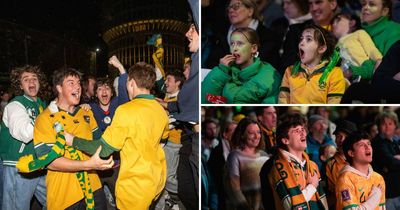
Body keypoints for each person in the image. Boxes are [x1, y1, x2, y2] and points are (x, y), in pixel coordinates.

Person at [65, 62, 169, 209]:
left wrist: (73, 140)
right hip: (157, 180)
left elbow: (104, 149)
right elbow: (163, 138)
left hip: (135, 185)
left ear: (131, 83)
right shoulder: (160, 110)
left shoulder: (125, 111)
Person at [24, 67, 112, 209]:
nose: (77, 87)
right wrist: (88, 165)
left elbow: (98, 145)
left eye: (78, 83)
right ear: (59, 88)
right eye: (71, 83)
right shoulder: (45, 119)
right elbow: (49, 162)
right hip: (65, 195)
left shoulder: (86, 114)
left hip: (94, 187)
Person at [0, 65, 47, 209]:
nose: (31, 82)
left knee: (56, 201)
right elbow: (25, 133)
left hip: (40, 164)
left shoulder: (41, 104)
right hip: (18, 167)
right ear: (20, 85)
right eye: (26, 80)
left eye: (34, 79)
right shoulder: (15, 105)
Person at [263, 114, 328, 209]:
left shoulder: (312, 165)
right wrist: (312, 186)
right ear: (285, 140)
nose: (303, 133)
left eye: (302, 129)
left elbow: (323, 203)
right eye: (297, 131)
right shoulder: (279, 166)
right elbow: (290, 206)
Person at [88, 55, 129, 207]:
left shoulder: (119, 104)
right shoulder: (90, 108)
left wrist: (121, 68)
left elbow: (125, 92)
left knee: (120, 198)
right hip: (96, 166)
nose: (104, 91)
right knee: (98, 203)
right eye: (100, 89)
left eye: (107, 88)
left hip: (116, 165)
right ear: (96, 94)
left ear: (112, 92)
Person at [202, 27, 281, 104]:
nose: (234, 48)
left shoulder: (271, 76)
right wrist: (221, 71)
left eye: (240, 44)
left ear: (253, 48)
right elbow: (205, 99)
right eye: (232, 44)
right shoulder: (224, 71)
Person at [279, 24, 346, 104]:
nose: (301, 43)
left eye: (308, 39)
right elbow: (283, 99)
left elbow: (335, 102)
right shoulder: (290, 71)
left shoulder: (335, 73)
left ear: (321, 48)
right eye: (301, 39)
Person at [205, 0, 280, 69]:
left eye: (236, 6)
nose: (231, 10)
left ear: (250, 11)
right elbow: (212, 63)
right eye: (229, 8)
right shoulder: (221, 36)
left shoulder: (268, 36)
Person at [225, 118, 269, 209]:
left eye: (258, 132)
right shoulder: (235, 156)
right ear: (241, 135)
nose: (257, 136)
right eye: (251, 133)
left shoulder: (264, 156)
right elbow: (234, 189)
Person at [336, 132, 386, 210]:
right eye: (361, 145)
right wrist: (375, 197)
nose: (367, 147)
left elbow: (382, 208)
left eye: (369, 144)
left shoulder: (378, 178)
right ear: (351, 153)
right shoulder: (345, 179)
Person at [332, 12, 383, 82]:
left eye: (337, 20)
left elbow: (371, 49)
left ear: (352, 23)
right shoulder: (335, 47)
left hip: (364, 66)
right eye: (332, 23)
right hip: (346, 75)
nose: (333, 24)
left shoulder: (359, 33)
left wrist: (378, 59)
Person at [325, 120, 357, 209]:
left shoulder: (362, 160)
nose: (342, 140)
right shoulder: (329, 164)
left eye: (346, 136)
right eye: (338, 136)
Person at [371, 111, 400, 210]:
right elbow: (392, 163)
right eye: (384, 124)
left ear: (395, 125)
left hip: (396, 191)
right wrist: (394, 159)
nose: (387, 127)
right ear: (378, 126)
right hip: (387, 194)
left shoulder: (394, 141)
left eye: (390, 123)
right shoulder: (377, 143)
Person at [208, 121, 237, 210]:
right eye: (234, 131)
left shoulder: (239, 149)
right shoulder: (217, 153)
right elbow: (215, 182)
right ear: (225, 134)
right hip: (221, 198)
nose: (238, 134)